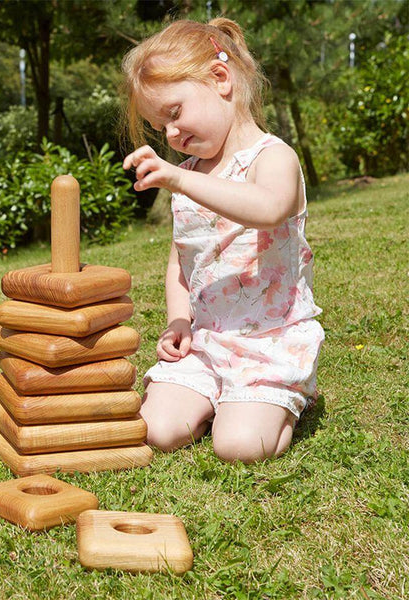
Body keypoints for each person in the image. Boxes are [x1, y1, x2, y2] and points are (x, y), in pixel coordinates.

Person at [121, 18, 325, 464]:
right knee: (156, 429)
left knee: (238, 447)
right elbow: (181, 261)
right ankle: (220, 398)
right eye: (161, 127)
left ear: (220, 78)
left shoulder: (273, 157)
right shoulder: (191, 174)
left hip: (268, 342)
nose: (171, 134)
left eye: (174, 113)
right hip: (208, 341)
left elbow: (270, 207)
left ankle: (283, 398)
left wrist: (176, 179)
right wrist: (179, 322)